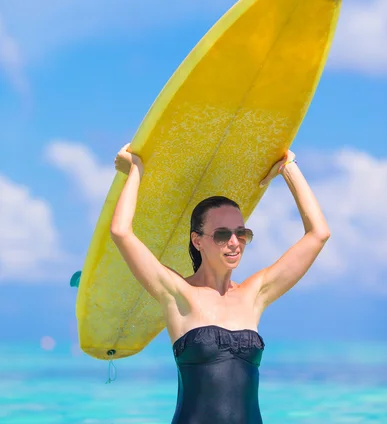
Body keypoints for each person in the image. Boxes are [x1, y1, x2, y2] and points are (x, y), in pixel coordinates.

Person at [111, 143, 331, 424]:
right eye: (222, 234)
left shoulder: (254, 294)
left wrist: (288, 167)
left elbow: (318, 234)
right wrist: (135, 170)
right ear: (197, 240)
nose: (234, 242)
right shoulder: (178, 293)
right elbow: (121, 232)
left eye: (241, 233)